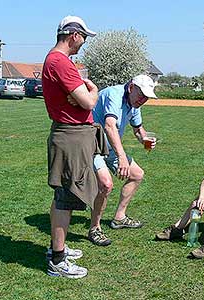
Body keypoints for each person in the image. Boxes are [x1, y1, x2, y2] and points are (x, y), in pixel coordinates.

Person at [42, 15, 101, 278]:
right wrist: (93, 91)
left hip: (70, 135)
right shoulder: (60, 62)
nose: (84, 42)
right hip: (71, 137)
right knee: (65, 198)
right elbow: (88, 102)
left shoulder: (55, 60)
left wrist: (82, 97)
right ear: (73, 35)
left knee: (63, 195)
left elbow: (79, 100)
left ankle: (59, 248)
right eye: (84, 37)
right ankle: (57, 260)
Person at [81, 75, 157, 246]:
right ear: (131, 87)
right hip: (92, 146)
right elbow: (109, 126)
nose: (143, 100)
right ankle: (95, 228)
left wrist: (145, 139)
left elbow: (138, 129)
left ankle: (119, 218)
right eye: (141, 94)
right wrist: (122, 157)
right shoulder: (114, 95)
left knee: (137, 175)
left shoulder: (134, 102)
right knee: (106, 184)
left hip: (109, 148)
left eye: (146, 97)